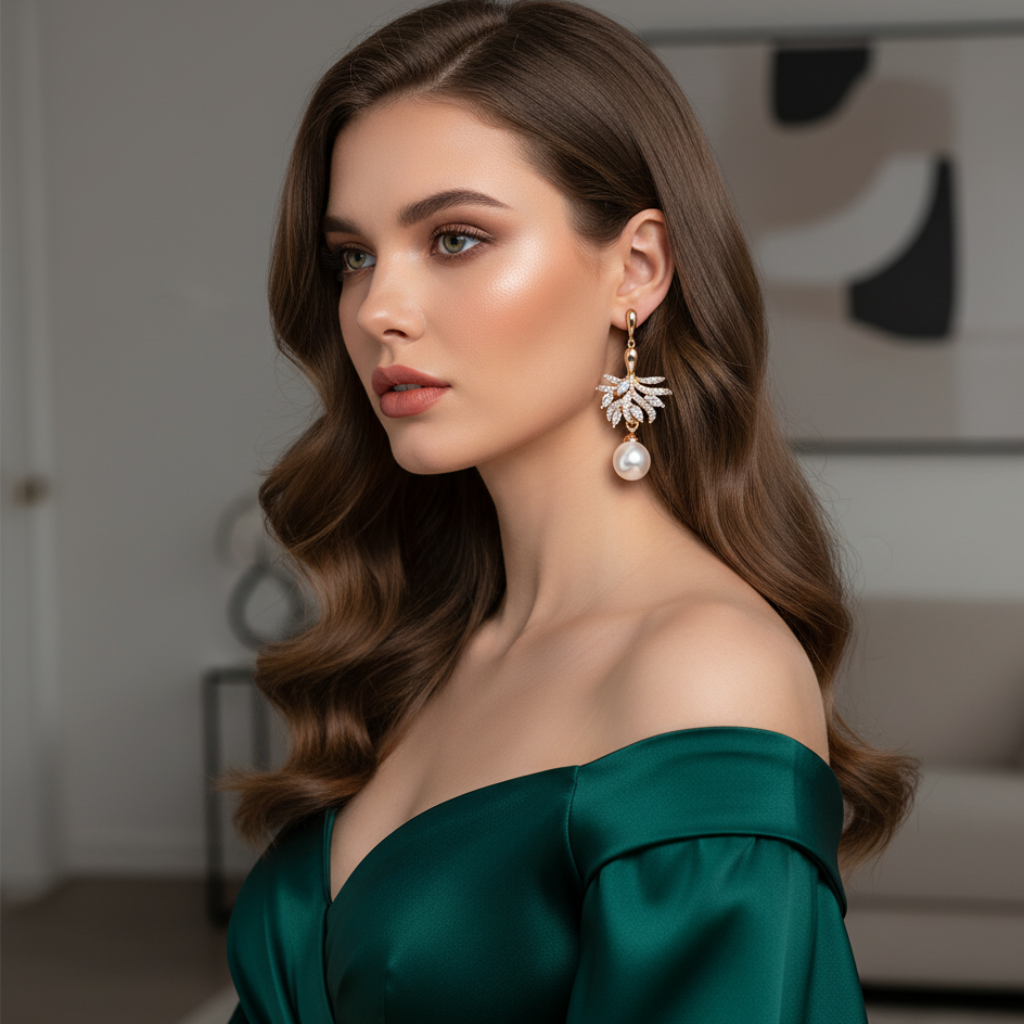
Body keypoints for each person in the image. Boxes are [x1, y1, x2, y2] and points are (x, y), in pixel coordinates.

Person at [222, 1, 919, 1020]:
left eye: (454, 237)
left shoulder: (699, 670)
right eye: (352, 255)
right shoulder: (428, 646)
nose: (377, 310)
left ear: (635, 270)